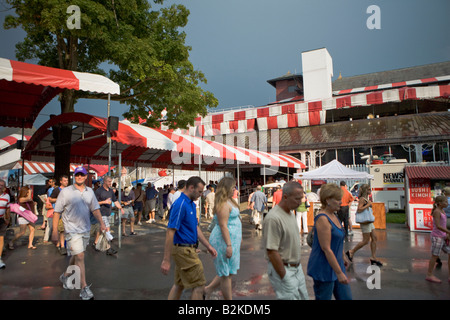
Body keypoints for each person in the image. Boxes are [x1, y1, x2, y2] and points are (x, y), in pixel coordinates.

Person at [52, 166, 106, 300]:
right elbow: (57, 212)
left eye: (82, 175)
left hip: (85, 229)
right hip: (71, 230)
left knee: (76, 256)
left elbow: (95, 209)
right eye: (77, 175)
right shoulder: (65, 192)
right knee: (80, 256)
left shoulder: (90, 192)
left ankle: (65, 276)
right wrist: (54, 231)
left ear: (86, 176)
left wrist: (102, 223)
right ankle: (84, 288)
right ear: (74, 176)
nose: (79, 177)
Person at [160, 176, 217, 300]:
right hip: (184, 251)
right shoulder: (181, 204)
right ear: (191, 188)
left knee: (179, 285)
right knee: (199, 285)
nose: (201, 195)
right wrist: (166, 259)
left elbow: (195, 228)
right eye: (200, 191)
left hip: (185, 250)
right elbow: (170, 231)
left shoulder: (190, 204)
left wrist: (208, 246)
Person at [262, 181, 309, 300]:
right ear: (285, 197)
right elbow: (272, 251)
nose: (300, 202)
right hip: (284, 269)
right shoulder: (273, 218)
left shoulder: (290, 213)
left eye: (301, 199)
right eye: (297, 199)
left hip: (296, 269)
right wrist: (283, 275)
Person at [307, 183, 352, 300]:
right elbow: (326, 248)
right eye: (337, 199)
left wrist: (342, 256)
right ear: (327, 200)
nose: (340, 202)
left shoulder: (333, 215)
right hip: (324, 268)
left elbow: (338, 239)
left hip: (336, 264)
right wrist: (339, 272)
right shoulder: (323, 218)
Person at [204, 177, 242, 300]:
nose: (234, 189)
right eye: (233, 187)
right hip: (223, 241)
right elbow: (223, 225)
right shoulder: (223, 204)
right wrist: (229, 245)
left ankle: (208, 289)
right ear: (226, 189)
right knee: (225, 274)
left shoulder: (230, 201)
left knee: (228, 272)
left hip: (231, 240)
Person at [346, 184, 382, 266]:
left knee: (374, 238)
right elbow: (359, 210)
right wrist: (368, 205)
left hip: (369, 221)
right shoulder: (362, 199)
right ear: (366, 190)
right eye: (369, 189)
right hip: (366, 222)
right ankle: (351, 252)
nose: (370, 191)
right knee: (365, 241)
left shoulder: (366, 198)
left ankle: (373, 257)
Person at [94, 176, 124, 255]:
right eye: (109, 182)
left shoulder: (111, 191)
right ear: (104, 182)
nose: (110, 183)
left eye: (111, 181)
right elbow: (94, 203)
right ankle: (108, 248)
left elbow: (115, 200)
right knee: (107, 229)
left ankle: (96, 243)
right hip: (101, 213)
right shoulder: (99, 191)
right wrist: (104, 202)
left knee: (102, 230)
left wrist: (120, 208)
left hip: (108, 213)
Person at [425, 195, 450, 283]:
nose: (447, 203)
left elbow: (443, 224)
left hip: (443, 236)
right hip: (437, 237)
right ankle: (429, 274)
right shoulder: (437, 211)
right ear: (439, 203)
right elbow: (438, 226)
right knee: (435, 256)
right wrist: (448, 231)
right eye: (445, 202)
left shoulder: (442, 210)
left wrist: (446, 233)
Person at [8, 186, 37, 250]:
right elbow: (28, 198)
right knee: (22, 232)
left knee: (32, 229)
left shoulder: (28, 198)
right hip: (23, 217)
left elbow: (30, 202)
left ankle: (30, 244)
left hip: (30, 216)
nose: (30, 193)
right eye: (28, 192)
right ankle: (11, 242)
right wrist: (30, 192)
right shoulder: (21, 198)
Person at [49, 175, 69, 255]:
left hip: (68, 213)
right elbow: (50, 199)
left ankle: (66, 245)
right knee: (61, 230)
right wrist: (59, 200)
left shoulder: (69, 190)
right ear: (61, 181)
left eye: (67, 180)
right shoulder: (57, 190)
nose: (66, 182)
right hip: (60, 213)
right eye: (64, 181)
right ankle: (62, 246)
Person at [0, 179, 11, 269]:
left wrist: (7, 218)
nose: (1, 187)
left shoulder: (6, 196)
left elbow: (7, 208)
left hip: (1, 219)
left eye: (2, 185)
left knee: (1, 238)